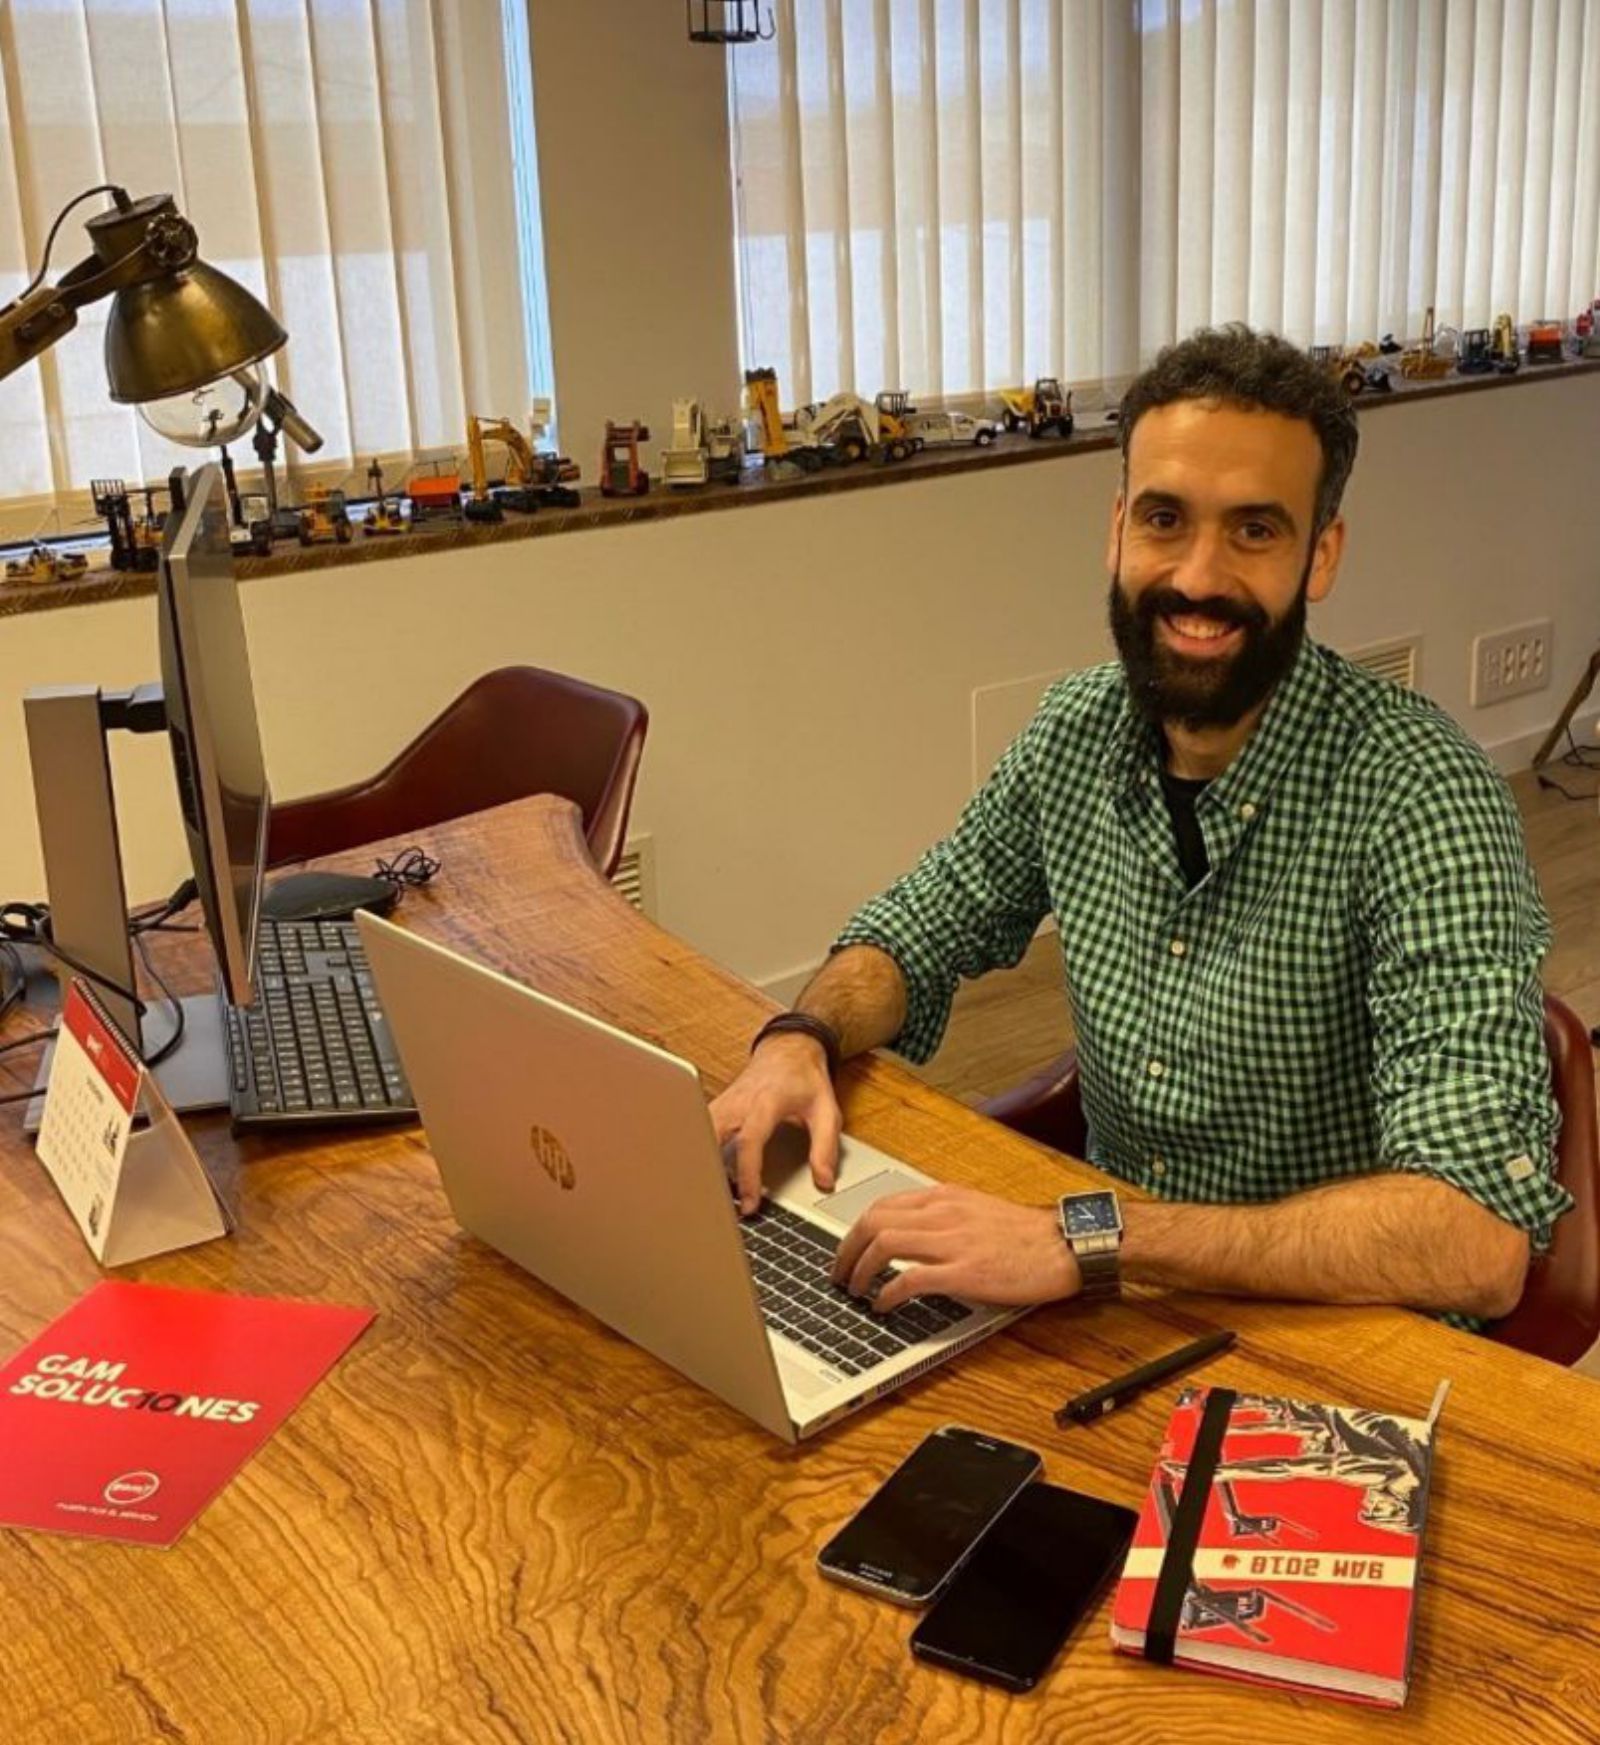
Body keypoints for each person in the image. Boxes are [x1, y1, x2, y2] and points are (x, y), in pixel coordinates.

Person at [710, 325, 1569, 1330]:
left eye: (1254, 530)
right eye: (1166, 518)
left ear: (1320, 553)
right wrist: (795, 1037)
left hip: (1329, 1339)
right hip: (1113, 1310)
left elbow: (1474, 1239)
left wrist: (1090, 1236)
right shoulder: (1074, 733)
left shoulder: (1423, 798)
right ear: (1118, 528)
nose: (1198, 577)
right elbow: (915, 928)